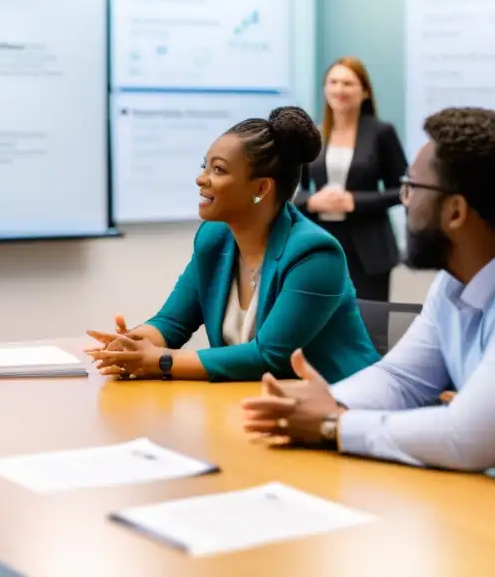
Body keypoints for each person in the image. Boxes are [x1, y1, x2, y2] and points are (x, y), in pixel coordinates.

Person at [240, 107, 495, 472]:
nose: (405, 203)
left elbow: (467, 436)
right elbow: (402, 378)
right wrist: (328, 402)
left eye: (412, 188)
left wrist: (333, 425)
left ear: (455, 212)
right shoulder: (452, 282)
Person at [87, 106, 380, 384]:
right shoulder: (214, 238)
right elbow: (172, 323)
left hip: (341, 407)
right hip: (254, 402)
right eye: (205, 166)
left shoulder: (315, 254)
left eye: (218, 170)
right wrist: (135, 344)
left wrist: (161, 361)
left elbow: (269, 356)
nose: (201, 179)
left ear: (262, 188)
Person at [295, 57, 407, 301]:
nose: (339, 89)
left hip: (370, 249)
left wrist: (353, 200)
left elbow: (402, 190)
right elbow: (291, 191)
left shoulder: (382, 132)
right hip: (321, 243)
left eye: (348, 83)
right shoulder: (312, 134)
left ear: (364, 91)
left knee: (369, 328)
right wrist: (312, 201)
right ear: (325, 89)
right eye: (333, 82)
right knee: (321, 326)